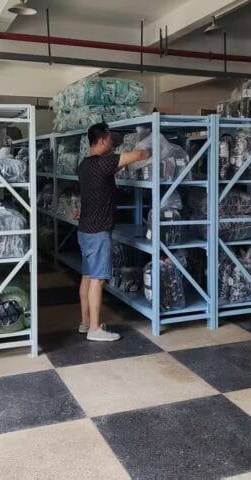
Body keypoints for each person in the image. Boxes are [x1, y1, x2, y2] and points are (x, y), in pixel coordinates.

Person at [77, 122, 149, 342]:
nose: (113, 142)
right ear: (101, 141)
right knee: (98, 280)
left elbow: (112, 168)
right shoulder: (105, 161)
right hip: (98, 232)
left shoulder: (85, 165)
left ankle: (86, 322)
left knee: (88, 277)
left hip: (85, 230)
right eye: (110, 139)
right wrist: (152, 147)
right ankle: (95, 330)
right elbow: (137, 155)